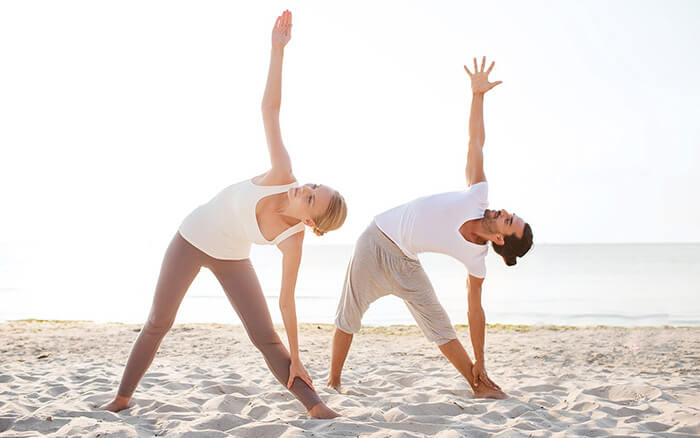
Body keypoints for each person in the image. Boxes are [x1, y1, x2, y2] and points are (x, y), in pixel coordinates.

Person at [101, 10, 346, 419]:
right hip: (192, 237)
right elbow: (270, 109)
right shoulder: (282, 173)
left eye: (310, 200)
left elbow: (288, 303)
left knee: (266, 337)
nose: (304, 189)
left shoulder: (293, 241)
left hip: (232, 257)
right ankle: (122, 398)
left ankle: (317, 408)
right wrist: (277, 50)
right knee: (159, 321)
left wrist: (298, 356)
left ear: (309, 222)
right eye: (313, 187)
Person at [327, 57, 532, 399]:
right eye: (510, 214)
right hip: (376, 239)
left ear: (499, 238)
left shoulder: (476, 259)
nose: (505, 212)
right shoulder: (477, 195)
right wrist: (477, 95)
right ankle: (333, 383)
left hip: (406, 263)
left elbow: (475, 310)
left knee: (441, 325)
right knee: (348, 316)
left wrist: (481, 359)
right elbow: (476, 142)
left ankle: (479, 385)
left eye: (508, 221)